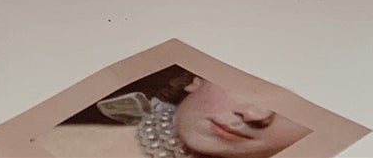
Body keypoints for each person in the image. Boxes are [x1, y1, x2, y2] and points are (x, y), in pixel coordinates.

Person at [36, 68, 311, 158]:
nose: (255, 114)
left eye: (298, 111)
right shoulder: (58, 144)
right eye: (252, 87)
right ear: (196, 79)